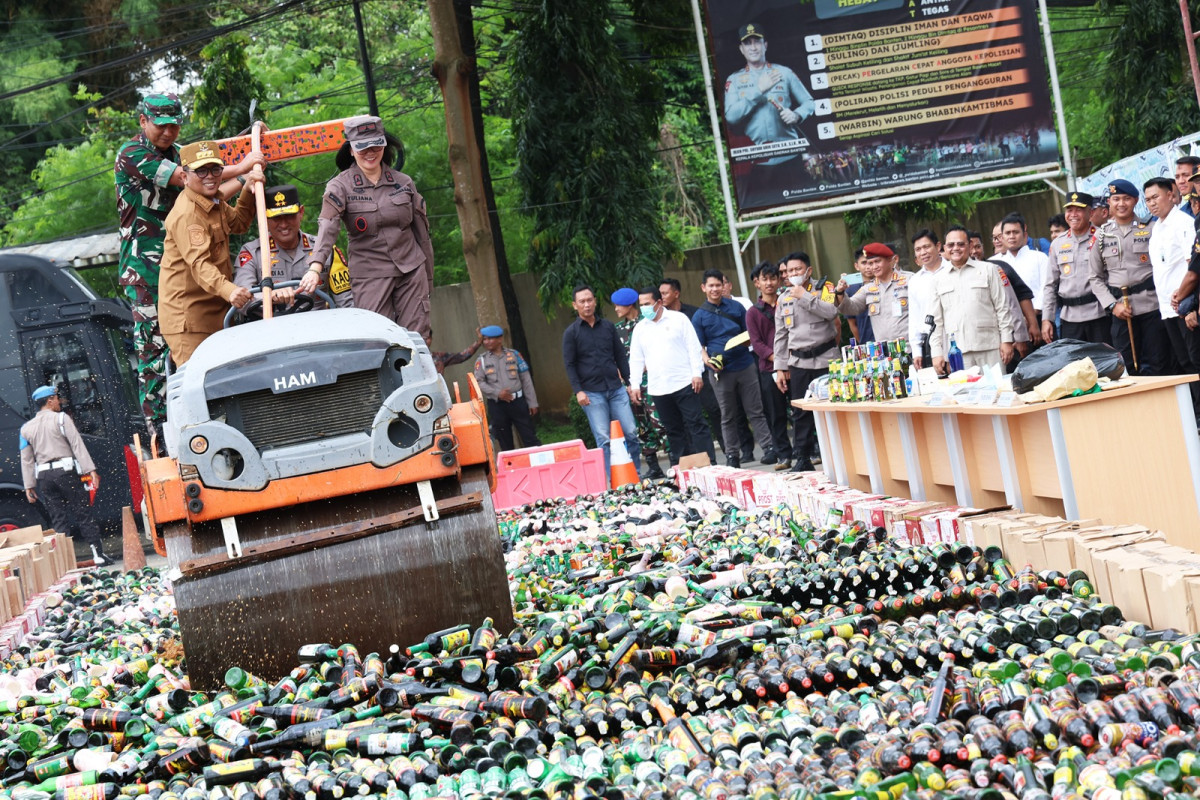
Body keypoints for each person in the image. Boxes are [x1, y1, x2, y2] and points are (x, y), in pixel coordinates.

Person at [115, 92, 262, 433]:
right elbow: (190, 182)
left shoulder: (185, 158)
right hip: (146, 270)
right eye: (160, 125)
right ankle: (162, 432)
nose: (168, 132)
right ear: (143, 121)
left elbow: (208, 194)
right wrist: (244, 167)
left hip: (189, 278)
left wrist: (247, 182)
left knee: (212, 366)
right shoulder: (133, 154)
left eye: (174, 125)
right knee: (154, 355)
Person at [306, 116, 434, 339]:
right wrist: (315, 267)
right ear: (351, 149)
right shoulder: (340, 186)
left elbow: (422, 234)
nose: (370, 152)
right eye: (362, 147)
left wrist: (428, 277)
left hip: (410, 269)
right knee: (378, 339)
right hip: (370, 274)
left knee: (417, 337)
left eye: (376, 145)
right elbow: (328, 226)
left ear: (384, 145)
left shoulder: (403, 182)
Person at [158, 141, 263, 365]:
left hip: (216, 312)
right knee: (199, 387)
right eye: (201, 170)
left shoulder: (213, 201)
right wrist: (230, 290)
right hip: (189, 320)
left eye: (215, 169)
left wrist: (247, 188)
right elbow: (199, 265)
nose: (211, 176)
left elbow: (239, 223)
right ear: (185, 177)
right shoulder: (188, 214)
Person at [693, 269, 777, 468]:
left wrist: (742, 343)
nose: (715, 289)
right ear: (704, 288)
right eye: (711, 286)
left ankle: (769, 448)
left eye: (718, 285)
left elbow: (751, 332)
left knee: (756, 409)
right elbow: (698, 347)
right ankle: (732, 455)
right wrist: (708, 362)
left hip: (744, 364)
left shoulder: (737, 307)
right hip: (720, 371)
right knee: (728, 415)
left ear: (724, 286)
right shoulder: (699, 316)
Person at [723, 23, 815, 206]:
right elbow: (731, 116)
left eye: (757, 41)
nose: (753, 47)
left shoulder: (783, 72)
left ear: (765, 45)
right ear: (741, 49)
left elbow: (809, 103)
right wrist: (758, 90)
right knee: (765, 213)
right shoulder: (734, 80)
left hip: (790, 158)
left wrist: (796, 115)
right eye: (748, 43)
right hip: (759, 164)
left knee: (807, 207)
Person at [1087, 179, 1168, 375]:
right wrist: (1113, 306)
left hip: (1151, 306)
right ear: (1109, 202)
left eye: (1126, 199)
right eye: (1116, 199)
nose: (1121, 204)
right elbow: (1095, 278)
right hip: (1120, 310)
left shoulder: (1151, 228)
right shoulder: (1102, 235)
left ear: (1136, 201)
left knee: (1159, 363)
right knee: (1126, 367)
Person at [20, 386, 108, 565]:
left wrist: (29, 486)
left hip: (44, 477)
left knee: (58, 518)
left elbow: (26, 459)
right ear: (50, 400)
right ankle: (97, 554)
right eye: (57, 398)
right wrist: (90, 470)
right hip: (65, 472)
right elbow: (77, 444)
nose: (59, 401)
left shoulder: (26, 428)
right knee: (82, 512)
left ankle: (64, 561)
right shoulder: (61, 419)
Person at [562, 285, 641, 480]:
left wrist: (630, 383)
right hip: (591, 393)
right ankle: (613, 478)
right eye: (582, 301)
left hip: (616, 388)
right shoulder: (571, 333)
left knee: (631, 432)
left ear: (595, 301)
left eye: (590, 300)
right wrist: (578, 391)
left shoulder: (608, 327)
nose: (587, 305)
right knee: (604, 439)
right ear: (575, 305)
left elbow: (620, 356)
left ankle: (636, 475)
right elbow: (570, 364)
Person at [629, 287, 713, 468]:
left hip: (684, 382)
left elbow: (693, 347)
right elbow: (636, 358)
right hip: (659, 387)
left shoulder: (678, 319)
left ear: (659, 303)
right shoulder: (640, 329)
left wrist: (697, 374)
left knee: (696, 424)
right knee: (674, 431)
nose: (644, 308)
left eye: (647, 304)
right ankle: (685, 468)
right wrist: (634, 384)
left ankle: (710, 464)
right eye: (641, 305)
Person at [235, 184, 353, 309]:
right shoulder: (252, 253)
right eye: (276, 218)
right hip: (271, 326)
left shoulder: (325, 250)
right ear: (265, 218)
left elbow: (347, 302)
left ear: (301, 212)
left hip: (318, 326)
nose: (284, 224)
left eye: (289, 216)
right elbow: (241, 298)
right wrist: (269, 296)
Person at [774, 254, 839, 473]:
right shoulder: (783, 298)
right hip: (798, 362)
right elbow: (781, 335)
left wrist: (804, 296)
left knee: (832, 410)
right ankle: (802, 458)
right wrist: (780, 368)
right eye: (789, 271)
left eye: (797, 270)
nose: (793, 275)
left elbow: (831, 312)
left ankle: (838, 455)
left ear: (808, 271)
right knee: (800, 412)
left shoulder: (826, 288)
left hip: (825, 359)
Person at [929, 227, 1015, 371]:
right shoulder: (938, 279)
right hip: (958, 352)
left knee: (997, 391)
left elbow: (1002, 307)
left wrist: (1006, 340)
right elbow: (935, 321)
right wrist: (936, 353)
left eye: (960, 244)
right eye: (951, 245)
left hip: (990, 348)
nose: (955, 248)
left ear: (969, 245)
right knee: (964, 392)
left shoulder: (989, 269)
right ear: (944, 248)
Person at [1144, 177, 1198, 391]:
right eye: (1148, 199)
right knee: (1184, 362)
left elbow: (1192, 266)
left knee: (1195, 361)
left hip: (1186, 305)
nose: (1152, 203)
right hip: (1167, 308)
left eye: (1156, 197)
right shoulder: (1156, 227)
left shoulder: (1183, 223)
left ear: (1170, 194)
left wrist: (1192, 303)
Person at [612, 287, 667, 479]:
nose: (616, 309)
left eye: (619, 305)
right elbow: (616, 357)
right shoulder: (617, 330)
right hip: (631, 385)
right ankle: (653, 467)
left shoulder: (647, 323)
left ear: (629, 305)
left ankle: (676, 461)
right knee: (642, 427)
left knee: (660, 422)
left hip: (652, 382)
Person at [1042, 192, 1110, 344]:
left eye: (1078, 210)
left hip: (1099, 315)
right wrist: (1047, 318)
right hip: (1070, 318)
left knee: (1104, 364)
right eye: (1069, 210)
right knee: (1074, 365)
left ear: (1090, 212)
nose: (1073, 215)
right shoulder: (1058, 243)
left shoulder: (1103, 237)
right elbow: (1050, 285)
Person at [746, 263, 793, 470]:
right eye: (764, 279)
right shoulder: (752, 313)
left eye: (773, 278)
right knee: (776, 414)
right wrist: (778, 359)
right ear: (757, 283)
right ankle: (784, 454)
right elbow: (756, 344)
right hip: (769, 369)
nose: (769, 283)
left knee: (800, 410)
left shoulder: (789, 302)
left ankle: (806, 451)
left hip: (795, 364)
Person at [473, 326, 540, 452]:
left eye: (490, 339)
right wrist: (497, 393)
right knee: (505, 442)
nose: (486, 342)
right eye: (485, 339)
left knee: (530, 437)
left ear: (500, 339)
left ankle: (538, 465)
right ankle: (512, 469)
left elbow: (526, 379)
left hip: (518, 403)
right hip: (497, 405)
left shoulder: (515, 355)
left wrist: (532, 402)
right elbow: (479, 381)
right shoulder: (482, 360)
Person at [836, 242, 913, 343]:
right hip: (884, 352)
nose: (874, 266)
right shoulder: (868, 288)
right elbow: (850, 308)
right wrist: (840, 292)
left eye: (877, 261)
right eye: (870, 263)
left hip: (910, 348)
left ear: (890, 260)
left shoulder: (910, 280)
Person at [995, 212, 1047, 330]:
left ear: (1025, 235)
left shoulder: (1040, 258)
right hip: (1010, 323)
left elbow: (1046, 289)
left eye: (1016, 232)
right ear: (1002, 237)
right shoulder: (995, 263)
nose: (1012, 236)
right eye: (1008, 233)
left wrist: (1031, 317)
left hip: (1040, 319)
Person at [908, 229, 946, 368]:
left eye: (926, 247)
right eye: (918, 249)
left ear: (937, 246)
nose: (922, 252)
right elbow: (914, 317)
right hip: (929, 343)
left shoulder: (952, 270)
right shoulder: (914, 281)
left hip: (955, 337)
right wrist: (916, 350)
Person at [843, 248, 875, 343]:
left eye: (871, 262)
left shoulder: (884, 283)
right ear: (857, 266)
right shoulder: (850, 289)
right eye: (864, 263)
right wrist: (862, 344)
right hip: (868, 342)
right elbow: (852, 324)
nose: (868, 266)